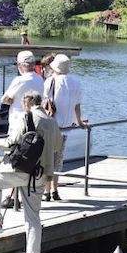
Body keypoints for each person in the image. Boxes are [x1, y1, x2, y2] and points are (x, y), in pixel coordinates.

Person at [0, 90, 62, 253]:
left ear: (27, 103)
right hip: (41, 175)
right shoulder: (51, 121)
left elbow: (11, 143)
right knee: (33, 218)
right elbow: (57, 146)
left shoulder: (26, 118)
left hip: (21, 170)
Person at [43, 53, 87, 202]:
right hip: (66, 127)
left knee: (48, 159)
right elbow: (77, 105)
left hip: (51, 126)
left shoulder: (50, 81)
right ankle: (55, 190)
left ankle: (47, 191)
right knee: (58, 160)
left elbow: (44, 102)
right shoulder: (76, 82)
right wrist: (79, 122)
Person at [0, 51, 44, 116]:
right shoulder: (40, 79)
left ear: (20, 65)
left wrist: (11, 101)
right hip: (36, 116)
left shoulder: (19, 80)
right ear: (34, 64)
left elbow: (4, 100)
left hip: (19, 118)